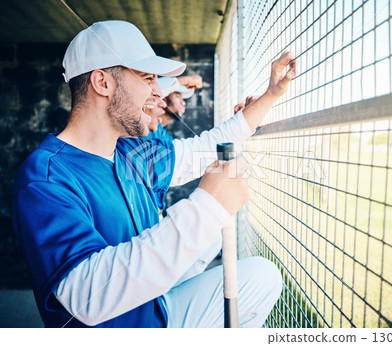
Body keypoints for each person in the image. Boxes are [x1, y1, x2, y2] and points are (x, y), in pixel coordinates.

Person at [12, 20, 296, 328]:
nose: (158, 92)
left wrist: (270, 95)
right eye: (147, 77)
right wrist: (206, 207)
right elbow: (86, 297)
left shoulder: (130, 153)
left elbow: (204, 148)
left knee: (262, 276)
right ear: (102, 83)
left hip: (155, 308)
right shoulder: (45, 177)